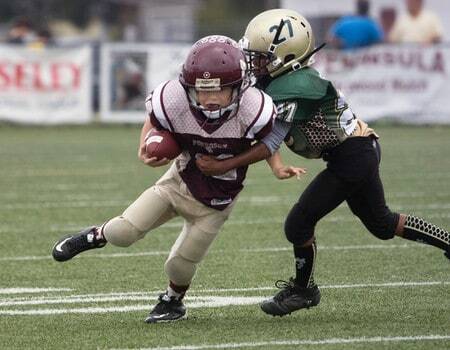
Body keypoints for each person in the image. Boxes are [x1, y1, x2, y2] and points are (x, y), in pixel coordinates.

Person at [195, 9, 450, 317]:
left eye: (260, 57)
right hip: (358, 148)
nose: (254, 63)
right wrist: (276, 166)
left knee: (298, 223)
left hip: (353, 155)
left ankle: (304, 291)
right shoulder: (286, 80)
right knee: (382, 223)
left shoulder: (297, 86)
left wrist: (224, 165)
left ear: (285, 57)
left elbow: (270, 141)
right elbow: (268, 131)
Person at [51, 35, 293, 323]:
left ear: (239, 87)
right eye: (202, 90)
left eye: (220, 90)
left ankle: (172, 302)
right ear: (188, 87)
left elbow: (268, 142)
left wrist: (250, 165)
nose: (210, 99)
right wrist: (144, 147)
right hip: (177, 182)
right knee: (124, 232)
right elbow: (154, 120)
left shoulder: (254, 107)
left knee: (180, 264)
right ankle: (95, 235)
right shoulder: (173, 99)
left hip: (218, 200)